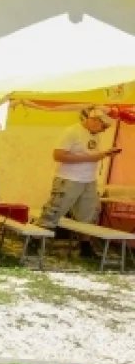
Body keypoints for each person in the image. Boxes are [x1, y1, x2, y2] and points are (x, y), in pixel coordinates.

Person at [37, 105, 121, 258]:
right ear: (94, 120)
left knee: (88, 215)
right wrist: (92, 158)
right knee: (54, 212)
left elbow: (91, 154)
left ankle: (85, 247)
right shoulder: (72, 131)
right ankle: (36, 242)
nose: (104, 130)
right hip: (69, 179)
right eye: (104, 126)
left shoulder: (95, 134)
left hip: (89, 180)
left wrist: (105, 154)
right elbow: (58, 155)